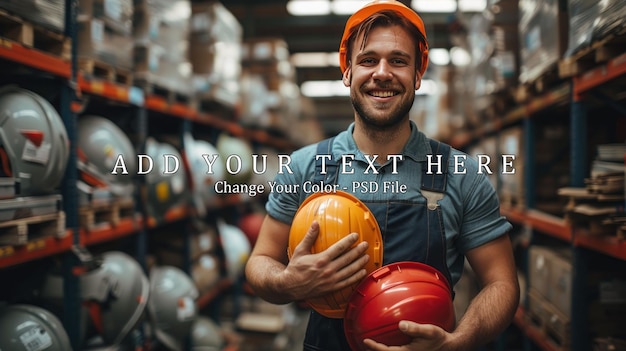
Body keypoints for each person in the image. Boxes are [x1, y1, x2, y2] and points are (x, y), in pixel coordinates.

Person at [244, 1, 520, 350]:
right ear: (347, 72)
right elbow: (260, 261)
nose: (382, 73)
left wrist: (458, 341)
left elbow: (502, 283)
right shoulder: (303, 167)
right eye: (368, 60)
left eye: (399, 61)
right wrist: (286, 282)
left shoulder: (462, 174)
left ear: (418, 75)